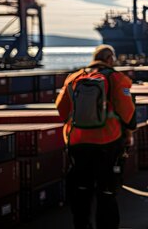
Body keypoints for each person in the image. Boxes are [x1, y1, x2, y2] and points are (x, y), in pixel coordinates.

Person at [56, 44, 136, 229]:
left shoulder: (74, 78)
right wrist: (129, 132)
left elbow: (61, 110)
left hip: (77, 143)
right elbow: (127, 112)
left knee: (81, 189)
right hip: (107, 143)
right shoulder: (117, 78)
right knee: (106, 191)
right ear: (110, 59)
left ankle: (82, 225)